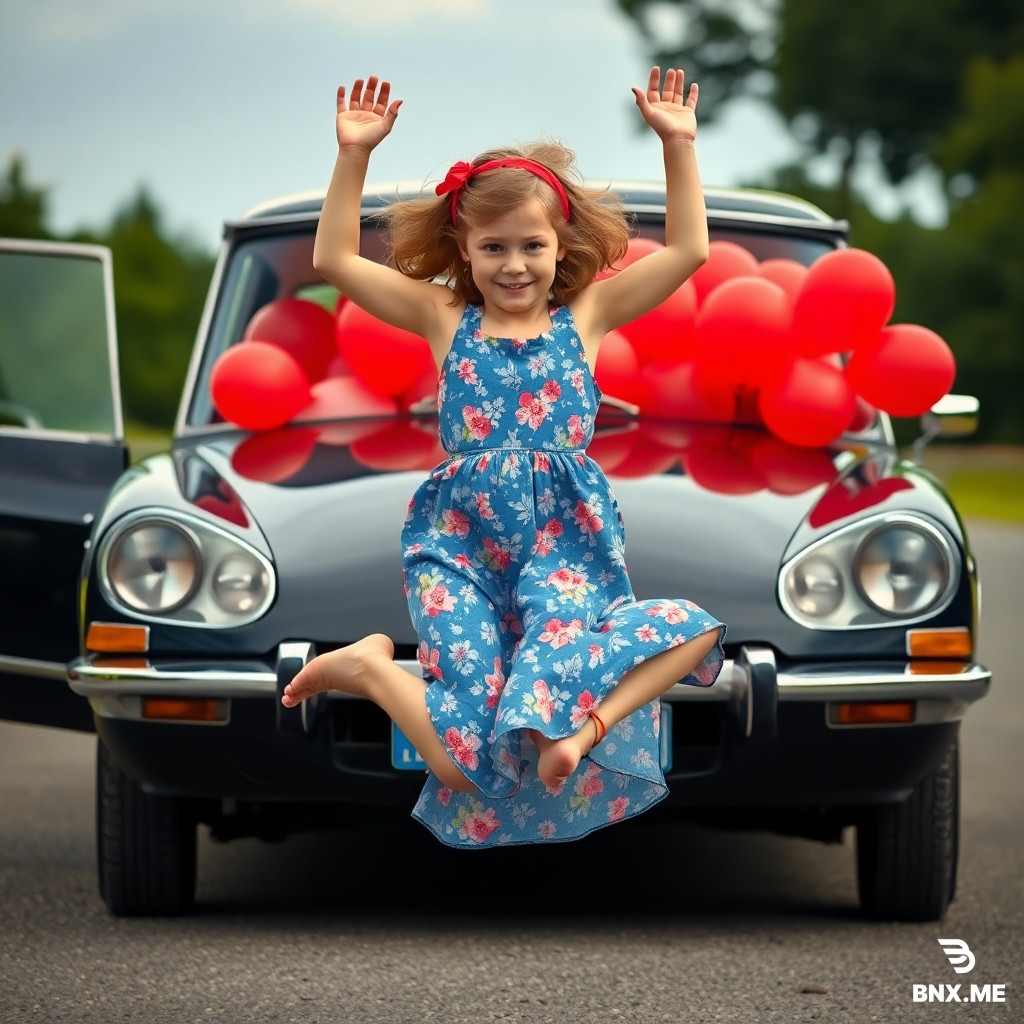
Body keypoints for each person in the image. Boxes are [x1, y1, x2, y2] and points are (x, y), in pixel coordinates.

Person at [282, 69, 725, 848]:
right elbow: (335, 263)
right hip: (459, 546)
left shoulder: (586, 315)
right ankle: (370, 668)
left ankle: (583, 730)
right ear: (465, 248)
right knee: (461, 766)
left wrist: (678, 143)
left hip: (565, 552)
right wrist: (353, 155)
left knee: (695, 630)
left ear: (562, 248)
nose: (514, 265)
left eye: (532, 246)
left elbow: (690, 248)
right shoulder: (442, 313)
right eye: (493, 247)